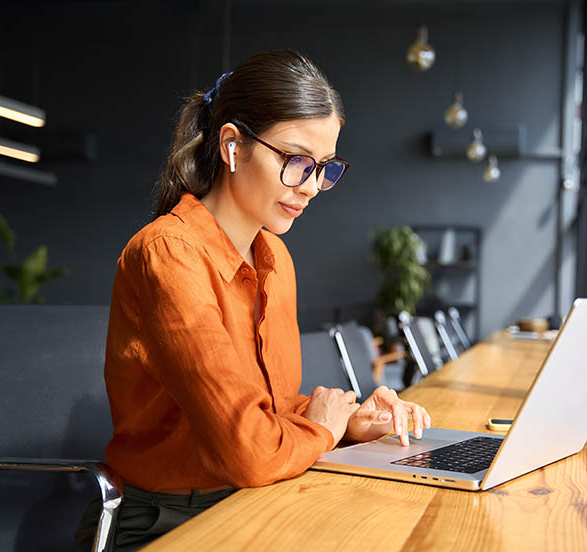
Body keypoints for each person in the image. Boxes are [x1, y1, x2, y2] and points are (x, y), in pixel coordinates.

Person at [75, 49, 431, 551]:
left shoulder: (275, 257)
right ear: (232, 146)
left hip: (253, 500)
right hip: (165, 522)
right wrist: (323, 432)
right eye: (295, 161)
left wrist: (348, 420)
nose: (311, 187)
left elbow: (268, 409)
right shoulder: (169, 253)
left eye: (324, 168)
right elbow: (247, 451)